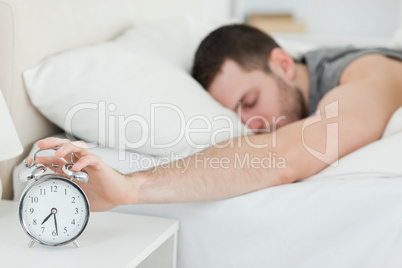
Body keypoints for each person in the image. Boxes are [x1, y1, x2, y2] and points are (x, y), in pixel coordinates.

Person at [34, 24, 402, 212]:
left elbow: (287, 156)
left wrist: (133, 186)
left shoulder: (364, 75)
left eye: (251, 99)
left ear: (284, 64)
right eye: (237, 113)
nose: (253, 123)